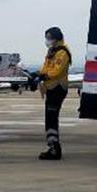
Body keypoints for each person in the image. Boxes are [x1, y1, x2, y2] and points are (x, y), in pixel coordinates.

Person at [31, 27, 72, 160]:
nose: (47, 40)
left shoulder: (62, 53)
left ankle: (55, 149)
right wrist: (37, 74)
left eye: (49, 37)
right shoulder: (52, 51)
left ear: (56, 38)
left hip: (58, 88)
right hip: (51, 89)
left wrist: (44, 77)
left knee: (52, 118)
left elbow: (57, 71)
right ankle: (52, 146)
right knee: (50, 119)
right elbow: (46, 67)